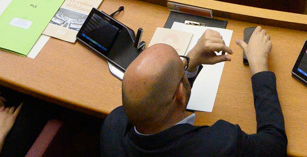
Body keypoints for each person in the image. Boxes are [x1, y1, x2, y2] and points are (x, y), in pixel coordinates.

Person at [102, 26, 283, 157]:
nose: (184, 63)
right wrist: (259, 67)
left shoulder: (113, 127)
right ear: (180, 94)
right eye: (182, 63)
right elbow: (274, 145)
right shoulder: (221, 145)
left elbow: (163, 98)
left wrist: (191, 61)